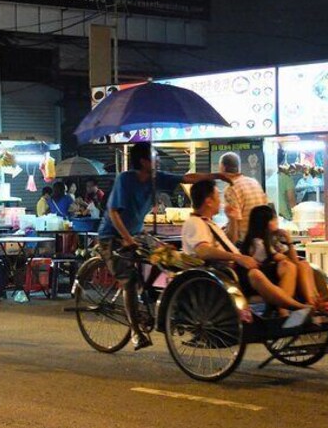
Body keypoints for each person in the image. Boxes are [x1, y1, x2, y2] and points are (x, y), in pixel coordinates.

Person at [97, 142, 233, 350]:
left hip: (136, 234)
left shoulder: (156, 178)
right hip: (113, 236)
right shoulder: (125, 180)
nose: (158, 159)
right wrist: (127, 239)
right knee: (129, 281)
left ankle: (155, 303)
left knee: (166, 259)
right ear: (143, 161)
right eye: (154, 156)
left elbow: (188, 178)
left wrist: (217, 176)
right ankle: (135, 330)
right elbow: (114, 212)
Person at [182, 181, 310, 321]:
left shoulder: (208, 222)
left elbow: (229, 241)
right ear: (208, 201)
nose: (220, 201)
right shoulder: (194, 223)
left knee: (290, 266)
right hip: (228, 273)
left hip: (238, 267)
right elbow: (203, 251)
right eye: (217, 196)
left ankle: (289, 308)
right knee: (256, 273)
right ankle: (294, 308)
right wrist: (238, 258)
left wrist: (233, 220)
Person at [218, 152, 268, 244]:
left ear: (223, 168)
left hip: (245, 244)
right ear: (238, 167)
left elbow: (235, 227)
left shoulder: (231, 189)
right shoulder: (254, 182)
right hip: (262, 241)